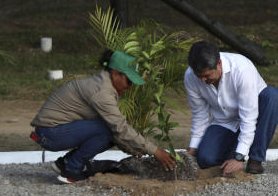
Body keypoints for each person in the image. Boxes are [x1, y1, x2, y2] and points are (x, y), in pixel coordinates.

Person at [30, 50, 177, 184]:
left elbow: (117, 131)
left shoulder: (104, 85)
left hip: (54, 131)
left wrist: (134, 149)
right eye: (129, 81)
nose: (130, 86)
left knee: (109, 129)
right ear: (115, 73)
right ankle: (72, 171)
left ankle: (65, 163)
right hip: (50, 133)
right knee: (108, 129)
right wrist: (155, 151)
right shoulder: (102, 92)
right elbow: (120, 128)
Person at [184, 41, 278, 176]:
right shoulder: (190, 76)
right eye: (199, 76)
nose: (202, 80)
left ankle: (255, 158)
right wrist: (192, 149)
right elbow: (199, 115)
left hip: (257, 114)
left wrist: (239, 157)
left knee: (272, 95)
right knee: (206, 159)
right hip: (225, 122)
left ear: (219, 64)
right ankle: (234, 152)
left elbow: (249, 116)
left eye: (207, 76)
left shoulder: (242, 69)